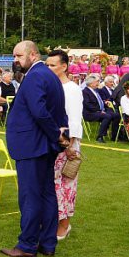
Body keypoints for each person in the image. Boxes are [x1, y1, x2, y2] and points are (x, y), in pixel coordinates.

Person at [0, 41, 68, 257]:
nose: (16, 60)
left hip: (33, 146)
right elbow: (56, 111)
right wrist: (57, 136)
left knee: (30, 196)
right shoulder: (50, 76)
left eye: (19, 56)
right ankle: (47, 243)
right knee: (47, 194)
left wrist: (55, 135)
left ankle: (28, 244)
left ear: (33, 54)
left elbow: (40, 112)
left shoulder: (36, 76)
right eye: (14, 56)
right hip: (43, 146)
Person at [45, 51, 83, 241]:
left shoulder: (72, 89)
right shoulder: (50, 86)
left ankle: (64, 224)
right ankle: (54, 220)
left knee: (65, 184)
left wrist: (70, 145)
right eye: (47, 65)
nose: (49, 69)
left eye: (53, 65)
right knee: (53, 184)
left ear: (64, 66)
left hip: (67, 143)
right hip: (51, 142)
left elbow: (75, 119)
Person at [82, 74, 117, 143]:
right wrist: (99, 111)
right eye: (97, 82)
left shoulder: (95, 91)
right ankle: (100, 136)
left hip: (98, 111)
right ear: (91, 83)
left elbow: (98, 102)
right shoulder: (85, 92)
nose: (98, 83)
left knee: (116, 115)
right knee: (107, 116)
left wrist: (104, 103)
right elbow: (87, 105)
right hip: (90, 113)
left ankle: (114, 136)